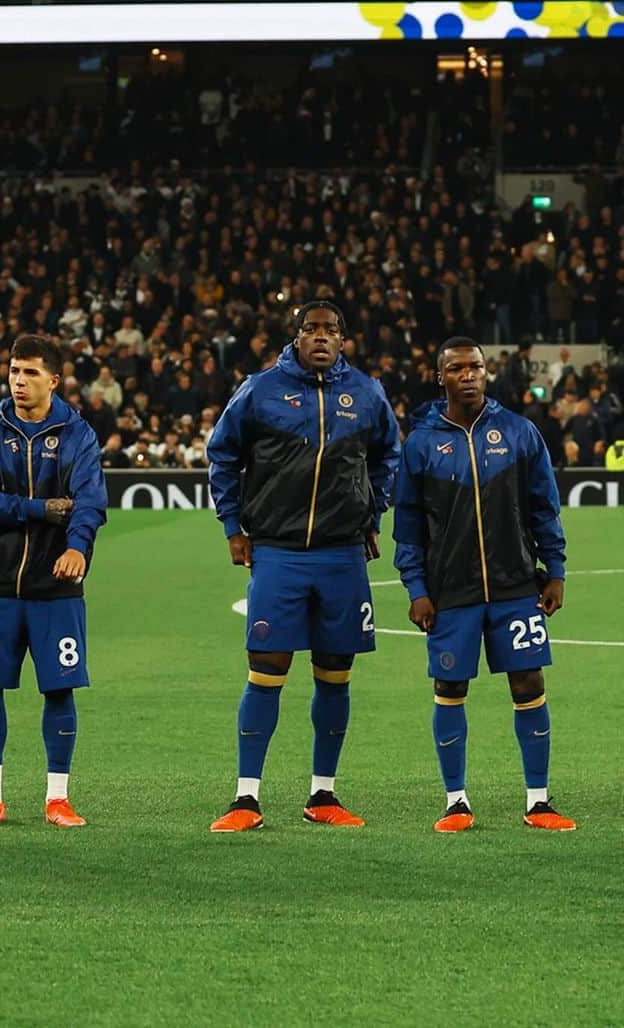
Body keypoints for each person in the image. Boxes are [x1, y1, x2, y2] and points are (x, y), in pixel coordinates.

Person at [206, 301, 400, 832]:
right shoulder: (260, 389)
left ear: (343, 339)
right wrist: (233, 527)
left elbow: (389, 455)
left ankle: (324, 794)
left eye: (330, 330)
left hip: (342, 555)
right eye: (311, 329)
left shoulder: (365, 393)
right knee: (265, 671)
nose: (320, 337)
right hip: (278, 552)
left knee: (335, 677)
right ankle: (246, 798)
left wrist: (371, 509)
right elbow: (222, 455)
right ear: (296, 335)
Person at [393, 336, 574, 832]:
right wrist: (416, 588)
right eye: (457, 369)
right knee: (450, 686)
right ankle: (456, 801)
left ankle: (538, 800)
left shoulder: (519, 433)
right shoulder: (421, 444)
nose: (468, 375)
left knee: (529, 682)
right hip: (451, 591)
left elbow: (544, 507)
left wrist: (554, 570)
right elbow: (407, 524)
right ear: (441, 377)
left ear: (485, 373)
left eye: (475, 367)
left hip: (517, 587)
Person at [0, 334, 107, 828]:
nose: (19, 381)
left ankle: (57, 799)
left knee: (59, 689)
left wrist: (77, 547)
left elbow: (89, 501)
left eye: (31, 373)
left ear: (54, 380)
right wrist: (40, 510)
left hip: (55, 586)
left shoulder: (78, 433)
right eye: (14, 371)